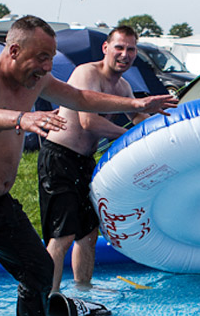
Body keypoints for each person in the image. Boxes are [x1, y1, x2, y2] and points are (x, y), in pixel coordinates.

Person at [0, 16, 176, 316]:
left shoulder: (36, 79)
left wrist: (138, 105)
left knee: (40, 272)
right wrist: (22, 119)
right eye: (41, 57)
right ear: (14, 50)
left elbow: (79, 97)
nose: (47, 66)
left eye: (51, 57)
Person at [38, 26, 144, 294]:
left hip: (84, 161)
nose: (125, 54)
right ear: (105, 48)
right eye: (119, 47)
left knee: (87, 233)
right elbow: (87, 121)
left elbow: (138, 118)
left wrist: (162, 128)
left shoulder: (123, 86)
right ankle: (49, 296)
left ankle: (83, 288)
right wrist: (130, 136)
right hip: (58, 157)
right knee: (61, 234)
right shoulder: (88, 73)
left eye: (131, 49)